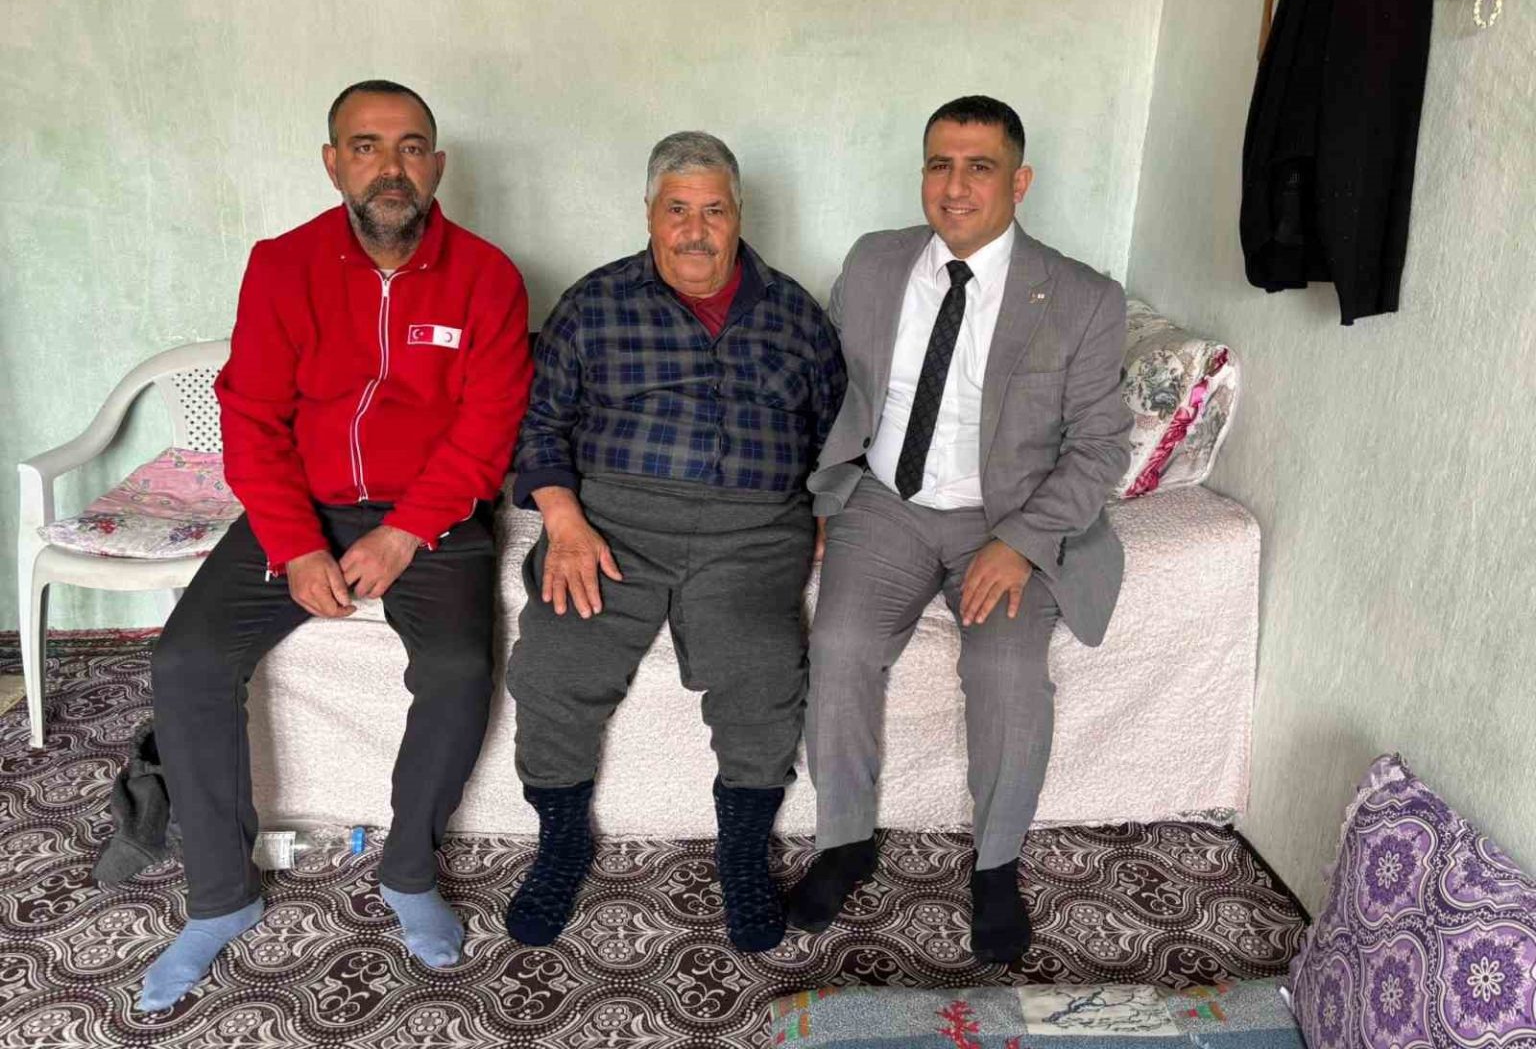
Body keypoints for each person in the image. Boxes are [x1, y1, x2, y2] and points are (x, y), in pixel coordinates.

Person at [139, 80, 533, 1010]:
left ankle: (408, 872)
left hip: (432, 516)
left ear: (437, 165)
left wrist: (406, 531)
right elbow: (251, 417)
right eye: (366, 146)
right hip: (302, 506)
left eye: (411, 147)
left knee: (458, 669)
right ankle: (221, 897)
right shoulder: (283, 266)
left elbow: (488, 427)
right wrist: (294, 543)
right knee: (187, 659)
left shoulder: (487, 276)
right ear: (333, 164)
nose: (391, 167)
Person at [787, 96, 1132, 963]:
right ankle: (844, 841)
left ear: (1020, 181)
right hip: (886, 503)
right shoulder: (874, 262)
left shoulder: (1083, 297)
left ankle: (996, 864)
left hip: (1006, 514)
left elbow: (1101, 446)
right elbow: (830, 393)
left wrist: (1021, 542)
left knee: (1006, 666)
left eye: (980, 167)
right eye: (940, 164)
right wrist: (823, 498)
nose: (956, 185)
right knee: (839, 644)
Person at [504, 131, 845, 953]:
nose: (696, 230)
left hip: (752, 529)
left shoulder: (795, 314)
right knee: (555, 659)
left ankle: (742, 850)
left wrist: (831, 513)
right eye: (677, 210)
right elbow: (540, 425)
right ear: (650, 214)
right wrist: (563, 519)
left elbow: (838, 434)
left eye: (714, 210)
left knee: (761, 668)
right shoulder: (595, 302)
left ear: (739, 215)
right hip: (610, 522)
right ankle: (561, 839)